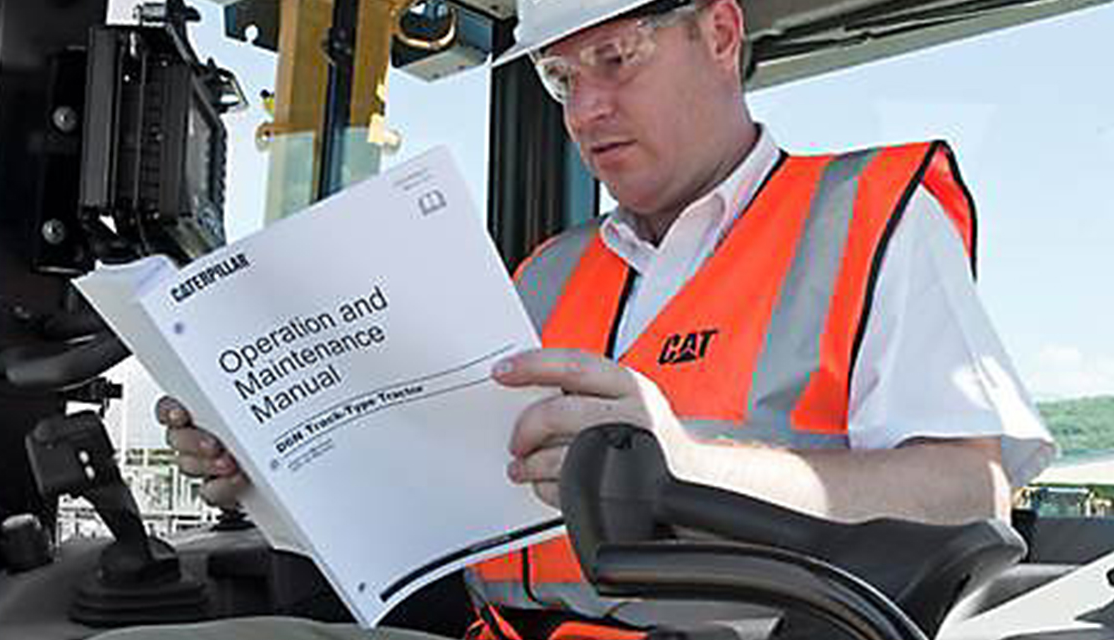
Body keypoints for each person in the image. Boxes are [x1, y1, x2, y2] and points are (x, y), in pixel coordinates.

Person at [100, 0, 1054, 636]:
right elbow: (440, 507)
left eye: (614, 57)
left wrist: (688, 466)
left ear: (721, 33)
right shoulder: (546, 273)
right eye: (561, 77)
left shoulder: (870, 217)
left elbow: (969, 494)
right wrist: (267, 474)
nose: (585, 108)